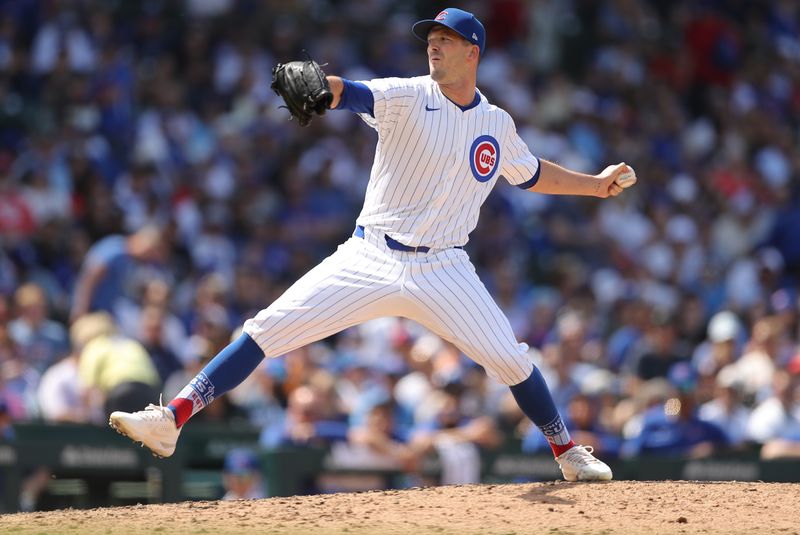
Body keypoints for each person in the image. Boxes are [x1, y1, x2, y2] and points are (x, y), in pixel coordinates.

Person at [110, 7, 637, 481]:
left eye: (446, 39)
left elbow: (530, 173)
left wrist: (595, 184)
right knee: (266, 329)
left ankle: (567, 452)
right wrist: (325, 89)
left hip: (444, 268)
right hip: (371, 256)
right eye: (430, 36)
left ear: (473, 52)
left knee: (513, 361)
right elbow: (350, 91)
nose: (433, 44)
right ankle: (171, 418)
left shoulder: (495, 123)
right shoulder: (409, 94)